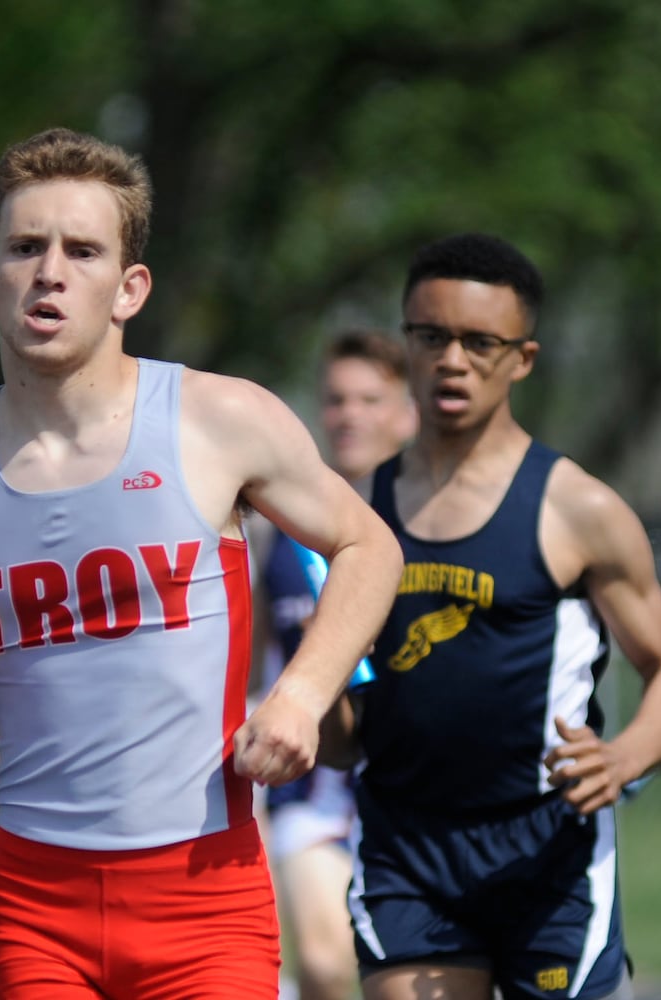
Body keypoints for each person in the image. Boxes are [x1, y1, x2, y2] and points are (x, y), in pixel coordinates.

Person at [0, 127, 404, 1000]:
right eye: (24, 247)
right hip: (34, 904)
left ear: (128, 287)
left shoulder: (220, 419)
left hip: (206, 895)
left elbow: (369, 546)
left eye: (82, 250)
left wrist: (300, 694)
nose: (49, 271)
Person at [322, 232, 661, 1000]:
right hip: (406, 847)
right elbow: (337, 746)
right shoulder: (354, 514)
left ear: (521, 358)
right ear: (407, 346)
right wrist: (310, 700)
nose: (452, 360)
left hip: (547, 846)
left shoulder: (579, 509)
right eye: (431, 337)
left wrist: (624, 759)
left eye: (479, 342)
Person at [256, 330, 416, 1000]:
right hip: (314, 788)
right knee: (323, 965)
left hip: (413, 788)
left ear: (407, 411)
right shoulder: (278, 527)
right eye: (335, 399)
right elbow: (253, 657)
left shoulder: (429, 522)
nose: (349, 414)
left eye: (369, 399)